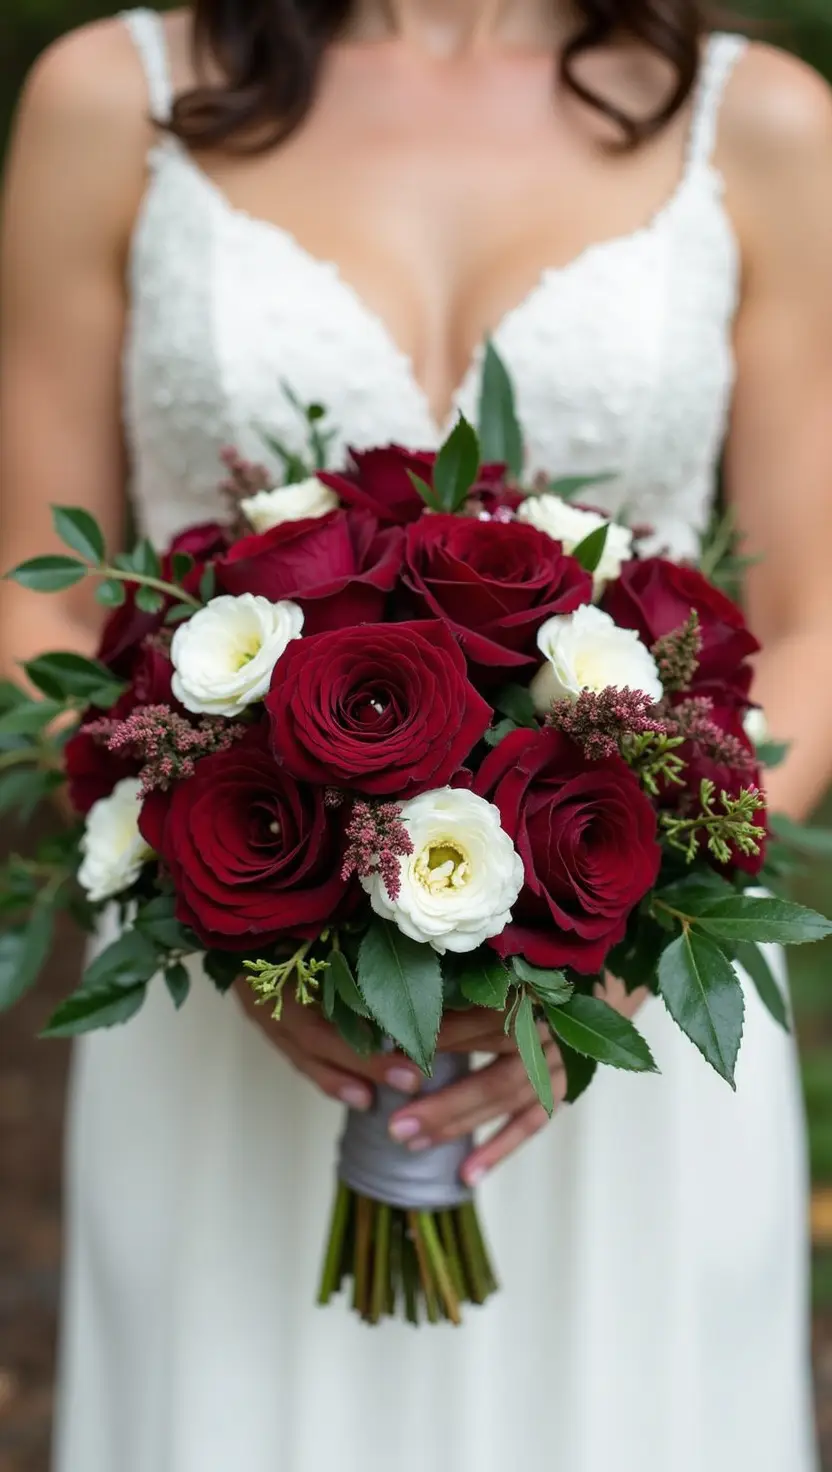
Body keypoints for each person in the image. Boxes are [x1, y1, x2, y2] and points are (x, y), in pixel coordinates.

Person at [1, 0, 831, 1466]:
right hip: (234, 1021)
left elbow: (820, 615)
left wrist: (630, 922)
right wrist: (225, 908)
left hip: (621, 1056)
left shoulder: (759, 121)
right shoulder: (108, 96)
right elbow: (30, 596)